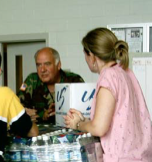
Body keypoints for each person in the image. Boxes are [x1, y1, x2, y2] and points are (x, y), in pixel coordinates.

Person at [64, 28, 152, 161]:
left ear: (92, 56)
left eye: (85, 55)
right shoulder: (125, 72)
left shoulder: (108, 77)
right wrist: (86, 121)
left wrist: (77, 124)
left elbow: (99, 128)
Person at [17, 47, 84, 124]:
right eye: (38, 65)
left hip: (69, 132)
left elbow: (84, 112)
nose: (42, 70)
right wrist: (41, 114)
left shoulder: (74, 80)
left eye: (47, 64)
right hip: (39, 133)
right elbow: (16, 106)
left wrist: (62, 111)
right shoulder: (31, 80)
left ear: (58, 65)